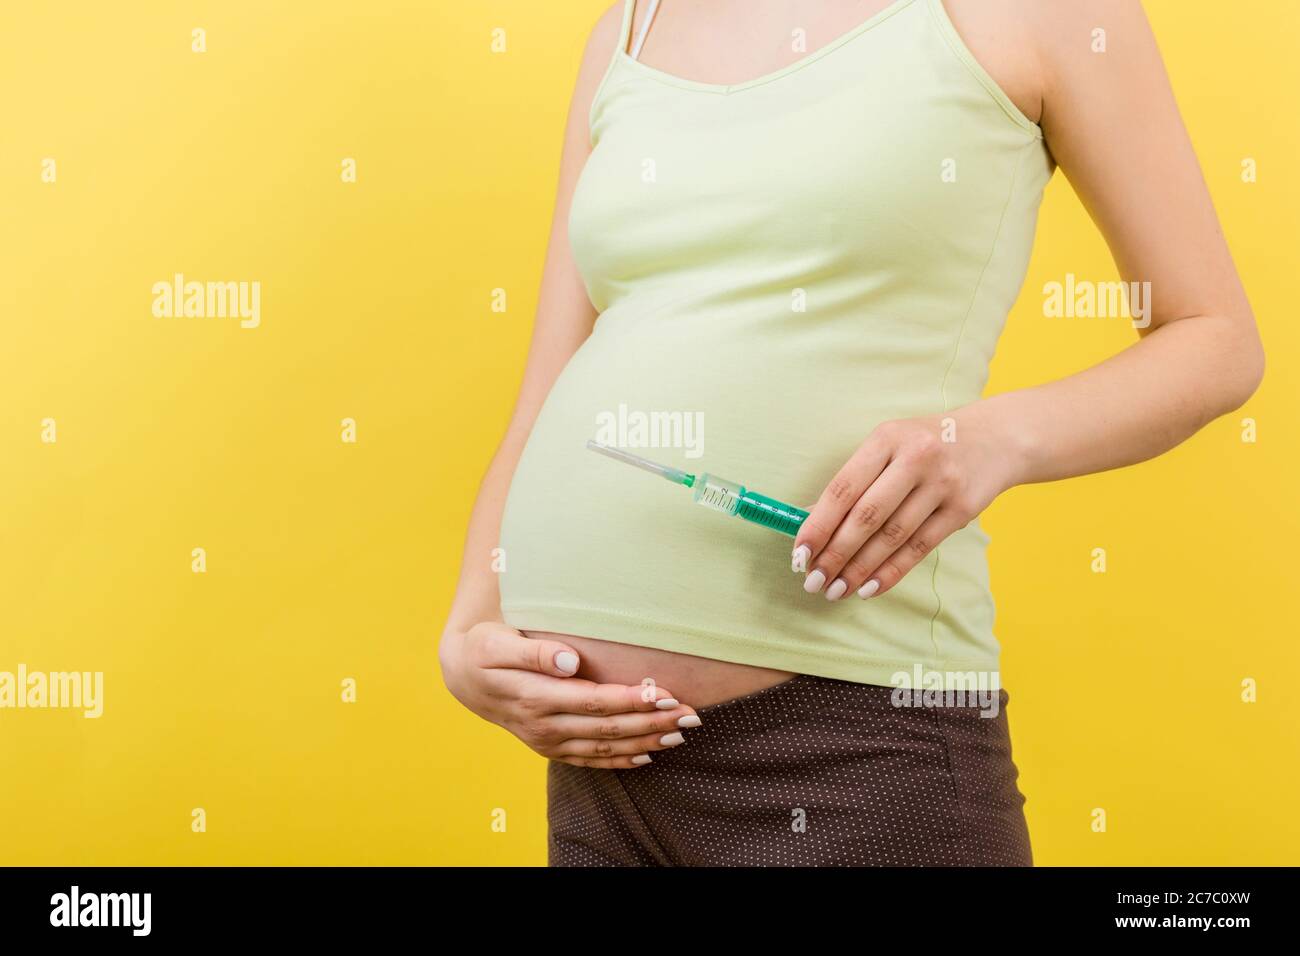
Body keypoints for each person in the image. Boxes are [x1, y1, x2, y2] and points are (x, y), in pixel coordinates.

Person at [439, 0, 1263, 866]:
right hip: (599, 772)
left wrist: (992, 439)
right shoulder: (629, 29)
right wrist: (468, 630)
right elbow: (544, 395)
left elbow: (1215, 339)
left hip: (855, 743)